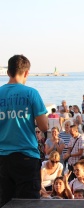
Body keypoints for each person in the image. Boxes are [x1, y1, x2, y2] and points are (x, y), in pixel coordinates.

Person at [0, 55, 48, 207]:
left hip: (2, 158)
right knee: (28, 203)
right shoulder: (31, 93)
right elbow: (44, 127)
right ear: (26, 73)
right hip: (26, 157)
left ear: (8, 72)